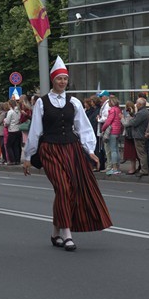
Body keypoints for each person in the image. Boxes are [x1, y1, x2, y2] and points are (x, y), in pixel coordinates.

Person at [23, 57, 112, 252]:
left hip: (71, 148)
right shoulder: (42, 103)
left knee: (69, 189)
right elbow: (35, 130)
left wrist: (90, 150)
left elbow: (84, 128)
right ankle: (67, 233)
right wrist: (28, 156)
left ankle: (56, 232)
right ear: (52, 80)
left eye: (65, 79)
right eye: (59, 78)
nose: (62, 82)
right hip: (50, 149)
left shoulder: (74, 102)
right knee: (63, 187)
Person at [128, 98, 149, 178]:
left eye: (137, 103)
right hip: (141, 134)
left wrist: (130, 120)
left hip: (139, 135)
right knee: (142, 153)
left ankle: (144, 170)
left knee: (141, 153)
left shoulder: (141, 113)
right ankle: (144, 168)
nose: (136, 105)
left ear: (140, 104)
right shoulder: (144, 112)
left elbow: (134, 122)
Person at [102, 95, 123, 175]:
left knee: (113, 150)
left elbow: (108, 122)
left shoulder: (112, 110)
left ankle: (114, 169)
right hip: (118, 131)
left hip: (112, 131)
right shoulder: (118, 110)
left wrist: (103, 128)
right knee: (116, 149)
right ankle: (117, 167)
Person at [120, 101, 138, 174]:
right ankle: (134, 167)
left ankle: (133, 168)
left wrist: (121, 118)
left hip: (129, 135)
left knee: (131, 153)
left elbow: (126, 124)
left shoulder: (129, 115)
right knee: (133, 152)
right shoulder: (135, 113)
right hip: (131, 135)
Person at [96, 91, 111, 171]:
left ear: (105, 96)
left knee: (108, 149)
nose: (100, 99)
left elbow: (106, 118)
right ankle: (109, 165)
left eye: (101, 97)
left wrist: (99, 119)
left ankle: (109, 166)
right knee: (107, 149)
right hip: (105, 128)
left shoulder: (107, 105)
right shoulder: (105, 105)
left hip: (106, 129)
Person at [4, 99, 22, 165]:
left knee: (9, 145)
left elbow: (7, 122)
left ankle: (12, 160)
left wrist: (5, 122)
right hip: (18, 129)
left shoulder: (10, 112)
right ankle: (17, 160)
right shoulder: (19, 111)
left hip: (12, 130)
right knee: (16, 146)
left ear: (10, 104)